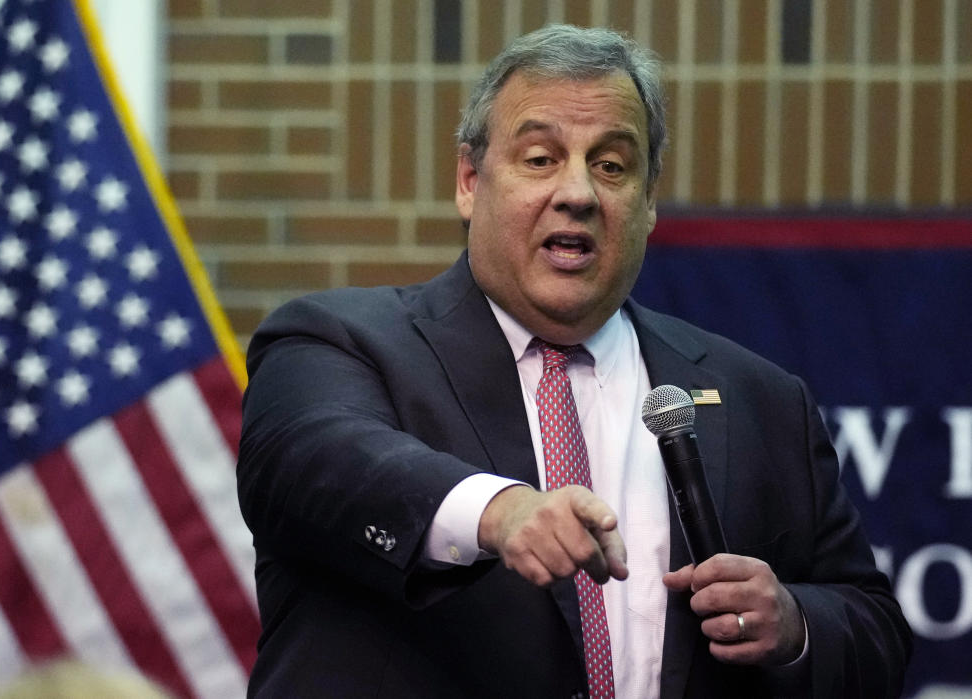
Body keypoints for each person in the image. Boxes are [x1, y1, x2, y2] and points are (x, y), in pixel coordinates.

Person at [236, 23, 911, 699]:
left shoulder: (760, 399)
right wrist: (501, 513)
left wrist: (794, 624)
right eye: (539, 159)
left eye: (612, 165)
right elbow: (312, 461)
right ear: (470, 180)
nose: (579, 193)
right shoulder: (336, 340)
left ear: (647, 202)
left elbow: (875, 632)